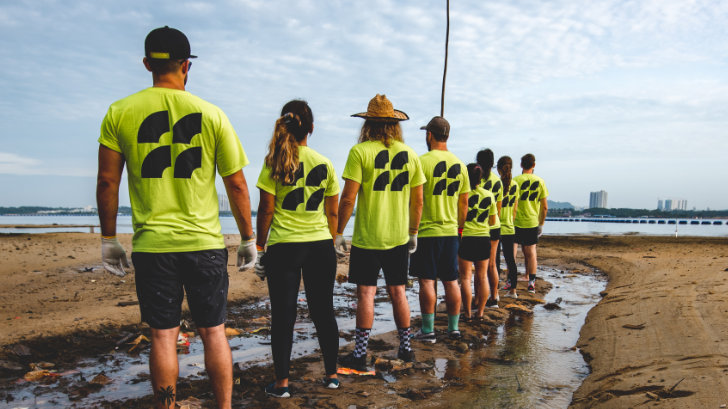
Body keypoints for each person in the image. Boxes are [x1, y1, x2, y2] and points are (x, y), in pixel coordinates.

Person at [96, 26, 256, 409]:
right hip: (203, 244)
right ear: (187, 66)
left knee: (163, 336)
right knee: (214, 332)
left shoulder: (120, 112)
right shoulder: (213, 114)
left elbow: (107, 180)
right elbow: (236, 185)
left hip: (154, 247)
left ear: (148, 63)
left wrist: (108, 239)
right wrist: (249, 238)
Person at [254, 100, 341, 398]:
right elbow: (333, 214)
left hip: (284, 247)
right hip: (319, 245)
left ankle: (282, 385)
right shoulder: (325, 163)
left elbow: (266, 209)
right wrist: (333, 240)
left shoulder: (274, 161)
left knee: (283, 315)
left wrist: (259, 247)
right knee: (323, 312)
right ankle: (331, 376)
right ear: (311, 129)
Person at [336, 94, 425, 369]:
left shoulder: (359, 152)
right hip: (398, 237)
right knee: (399, 292)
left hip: (367, 237)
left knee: (366, 294)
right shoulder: (410, 154)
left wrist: (338, 232)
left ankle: (360, 355)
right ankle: (407, 350)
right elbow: (418, 200)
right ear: (394, 124)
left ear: (368, 124)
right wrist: (413, 232)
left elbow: (348, 198)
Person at [410, 116, 469, 342]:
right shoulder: (460, 165)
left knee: (426, 280)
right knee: (451, 281)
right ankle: (454, 328)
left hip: (426, 232)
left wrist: (412, 230)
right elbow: (463, 204)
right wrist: (459, 228)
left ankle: (428, 330)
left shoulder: (421, 161)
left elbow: (417, 201)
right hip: (451, 231)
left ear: (429, 135)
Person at [458, 163, 497, 321]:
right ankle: (480, 312)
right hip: (483, 238)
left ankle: (467, 313)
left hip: (466, 238)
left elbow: (459, 218)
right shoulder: (489, 195)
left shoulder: (462, 195)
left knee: (466, 278)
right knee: (482, 277)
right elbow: (493, 221)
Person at [513, 153, 549, 293]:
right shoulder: (540, 181)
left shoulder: (515, 180)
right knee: (531, 253)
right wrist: (541, 223)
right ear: (534, 165)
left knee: (512, 252)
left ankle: (512, 282)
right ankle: (531, 284)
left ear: (521, 165)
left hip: (515, 221)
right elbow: (545, 207)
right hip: (532, 221)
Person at [476, 149, 503, 308]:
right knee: (492, 264)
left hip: (478, 227)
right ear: (493, 164)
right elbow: (497, 210)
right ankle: (494, 296)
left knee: (479, 266)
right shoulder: (498, 181)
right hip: (494, 226)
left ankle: (479, 298)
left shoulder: (475, 178)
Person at [497, 156, 520, 298]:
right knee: (510, 260)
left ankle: (495, 292)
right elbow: (515, 209)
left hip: (496, 227)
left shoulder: (497, 184)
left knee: (495, 261)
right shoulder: (516, 185)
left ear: (499, 169)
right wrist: (511, 221)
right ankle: (513, 291)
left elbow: (496, 208)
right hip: (509, 227)